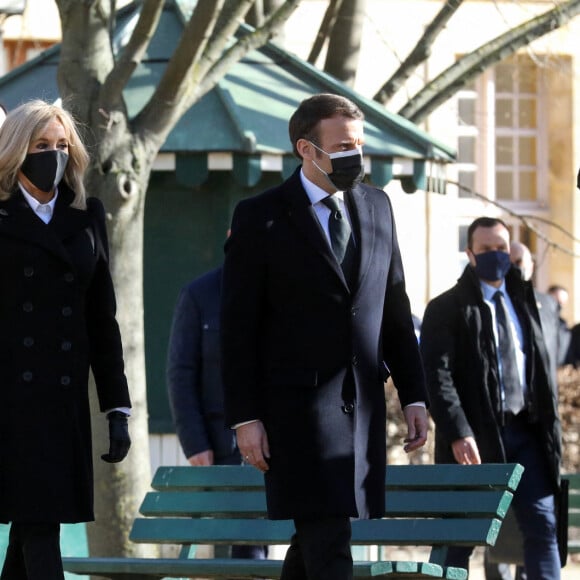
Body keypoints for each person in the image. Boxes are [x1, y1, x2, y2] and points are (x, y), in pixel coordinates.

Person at [220, 93, 429, 580]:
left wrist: (414, 394)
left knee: (318, 535)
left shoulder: (377, 207)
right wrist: (245, 417)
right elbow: (238, 327)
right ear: (306, 150)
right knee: (329, 535)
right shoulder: (261, 217)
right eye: (341, 145)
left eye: (359, 143)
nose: (353, 154)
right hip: (296, 412)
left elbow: (394, 309)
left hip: (362, 408)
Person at [0, 100, 132, 579]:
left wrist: (117, 408)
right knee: (39, 525)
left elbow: (102, 320)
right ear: (16, 151)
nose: (52, 155)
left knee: (34, 524)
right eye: (40, 146)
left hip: (63, 400)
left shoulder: (86, 216)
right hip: (10, 402)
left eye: (61, 146)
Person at [420, 217, 562, 580]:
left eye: (501, 248)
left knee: (543, 527)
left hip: (527, 434)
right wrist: (457, 432)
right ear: (470, 254)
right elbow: (439, 377)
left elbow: (543, 373)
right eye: (485, 250)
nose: (495, 256)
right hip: (475, 438)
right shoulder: (447, 308)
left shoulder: (531, 303)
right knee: (461, 537)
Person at [166, 265, 266, 559]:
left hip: (274, 441)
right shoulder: (199, 294)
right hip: (222, 443)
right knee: (242, 543)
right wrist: (195, 442)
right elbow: (180, 373)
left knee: (262, 540)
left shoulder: (281, 288)